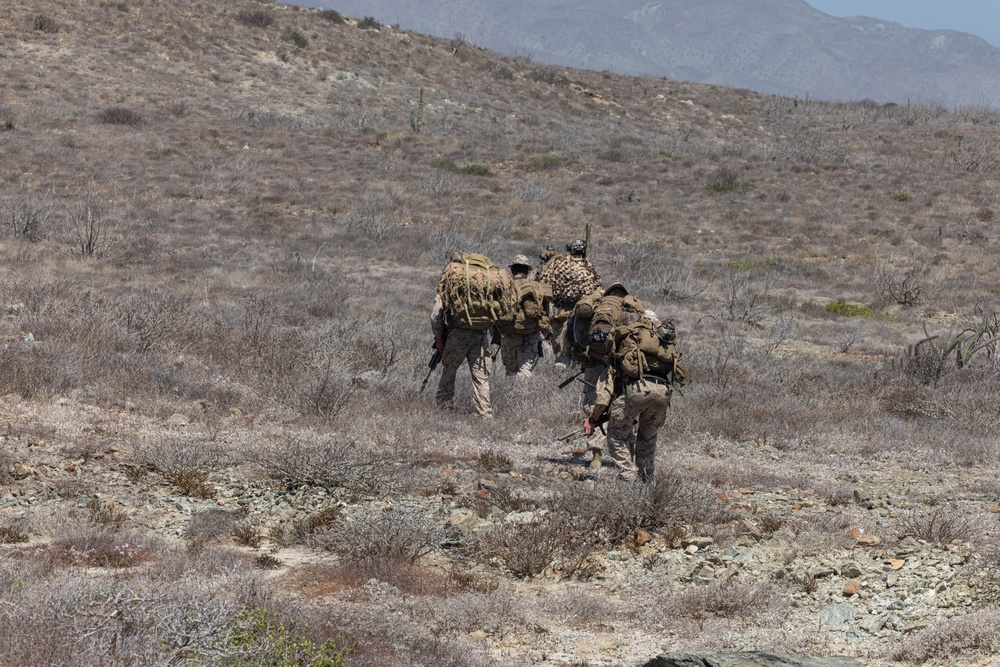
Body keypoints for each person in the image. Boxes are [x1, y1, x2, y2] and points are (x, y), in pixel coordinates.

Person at [583, 308, 676, 482]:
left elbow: (604, 395)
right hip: (663, 393)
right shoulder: (657, 346)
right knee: (647, 438)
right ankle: (646, 479)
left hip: (636, 391)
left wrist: (593, 419)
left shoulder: (620, 351)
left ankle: (627, 477)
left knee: (617, 435)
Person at [431, 252, 517, 418]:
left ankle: (444, 407)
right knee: (481, 377)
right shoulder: (486, 285)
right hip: (480, 335)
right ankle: (484, 413)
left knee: (449, 370)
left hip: (457, 334)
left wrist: (439, 337)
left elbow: (436, 314)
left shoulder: (453, 282)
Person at [572, 282, 645, 469]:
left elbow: (577, 336)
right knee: (626, 407)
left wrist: (582, 359)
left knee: (592, 404)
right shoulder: (631, 309)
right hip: (622, 365)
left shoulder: (595, 306)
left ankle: (596, 455)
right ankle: (631, 455)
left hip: (596, 361)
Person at [534, 239, 602, 368]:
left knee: (561, 349)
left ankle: (561, 367)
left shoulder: (558, 264)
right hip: (581, 314)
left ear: (571, 250)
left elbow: (542, 283)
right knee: (579, 347)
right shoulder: (588, 267)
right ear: (583, 251)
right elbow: (597, 291)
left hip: (560, 313)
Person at [498, 255, 552, 377]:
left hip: (510, 333)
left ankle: (511, 395)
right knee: (525, 370)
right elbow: (548, 312)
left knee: (511, 371)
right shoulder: (537, 287)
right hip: (532, 333)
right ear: (527, 270)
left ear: (512, 270)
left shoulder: (505, 287)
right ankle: (523, 395)